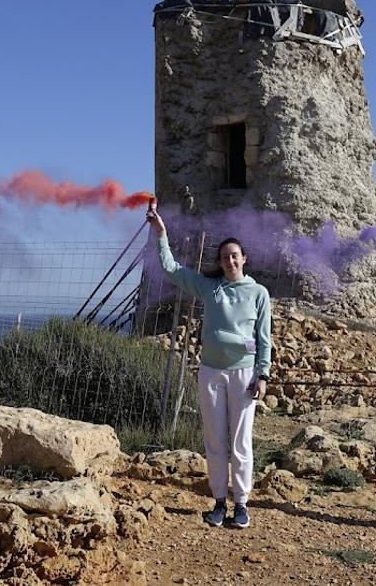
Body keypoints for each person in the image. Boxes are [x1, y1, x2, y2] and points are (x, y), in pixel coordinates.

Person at [147, 202, 271, 530]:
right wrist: (161, 234)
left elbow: (264, 337)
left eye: (235, 255)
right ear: (219, 262)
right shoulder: (210, 287)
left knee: (240, 441)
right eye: (224, 257)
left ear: (244, 259)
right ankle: (218, 502)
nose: (229, 260)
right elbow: (171, 268)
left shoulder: (258, 293)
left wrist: (263, 374)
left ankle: (241, 504)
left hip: (244, 374)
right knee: (214, 440)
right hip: (211, 372)